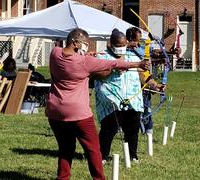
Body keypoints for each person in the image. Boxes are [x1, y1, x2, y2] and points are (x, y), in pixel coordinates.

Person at [45, 28, 149, 180]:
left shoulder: (54, 53)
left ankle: (62, 178)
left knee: (65, 148)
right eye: (85, 44)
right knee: (93, 149)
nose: (87, 47)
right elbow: (114, 63)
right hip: (78, 113)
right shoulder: (85, 62)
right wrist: (138, 63)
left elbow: (68, 57)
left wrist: (86, 54)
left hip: (54, 112)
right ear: (75, 43)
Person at [94, 29, 145, 164]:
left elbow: (141, 76)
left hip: (133, 100)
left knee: (132, 130)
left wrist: (153, 85)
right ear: (110, 44)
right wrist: (113, 69)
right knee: (109, 129)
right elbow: (95, 75)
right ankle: (102, 156)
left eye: (123, 45)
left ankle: (132, 156)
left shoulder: (133, 57)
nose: (121, 48)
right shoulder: (102, 57)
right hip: (111, 101)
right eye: (118, 45)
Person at [126, 27, 161, 134]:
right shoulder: (123, 49)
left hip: (145, 80)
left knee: (147, 106)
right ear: (131, 37)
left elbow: (157, 53)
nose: (141, 37)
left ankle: (148, 130)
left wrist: (169, 51)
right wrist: (127, 45)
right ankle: (132, 128)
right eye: (139, 35)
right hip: (132, 82)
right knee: (132, 109)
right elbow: (111, 47)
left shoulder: (143, 47)